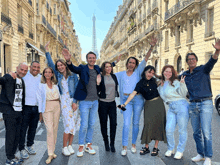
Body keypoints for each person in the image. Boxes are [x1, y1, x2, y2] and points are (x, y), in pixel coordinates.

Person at [63, 49, 120, 157]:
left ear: (95, 59)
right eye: (90, 58)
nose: (92, 60)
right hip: (84, 101)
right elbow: (73, 68)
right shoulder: (82, 68)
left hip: (95, 101)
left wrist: (115, 62)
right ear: (87, 59)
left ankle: (88, 145)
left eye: (93, 58)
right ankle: (81, 145)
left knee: (91, 124)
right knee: (84, 125)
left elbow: (107, 67)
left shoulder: (98, 68)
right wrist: (68, 61)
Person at [115, 35, 157, 156]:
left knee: (136, 123)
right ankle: (124, 146)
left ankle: (133, 145)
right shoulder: (121, 74)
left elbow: (146, 59)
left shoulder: (139, 72)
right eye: (130, 62)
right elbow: (108, 74)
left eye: (133, 63)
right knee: (126, 123)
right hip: (126, 100)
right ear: (127, 64)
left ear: (135, 65)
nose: (131, 64)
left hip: (138, 99)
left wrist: (151, 47)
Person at [180, 39, 220, 165]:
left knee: (206, 132)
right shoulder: (184, 75)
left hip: (205, 103)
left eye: (193, 59)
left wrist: (217, 50)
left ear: (196, 61)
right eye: (189, 59)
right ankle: (201, 154)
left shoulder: (203, 69)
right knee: (196, 132)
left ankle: (208, 156)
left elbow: (212, 60)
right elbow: (174, 85)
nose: (191, 60)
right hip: (192, 104)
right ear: (187, 62)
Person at [119, 65, 167, 156]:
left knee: (159, 124)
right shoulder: (140, 83)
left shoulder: (154, 80)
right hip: (148, 104)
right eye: (149, 72)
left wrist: (156, 75)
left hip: (159, 104)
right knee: (148, 124)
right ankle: (146, 147)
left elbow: (164, 77)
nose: (150, 74)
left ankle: (156, 147)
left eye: (152, 73)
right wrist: (124, 104)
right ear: (145, 72)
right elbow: (133, 94)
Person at [45, 42, 80, 156]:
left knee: (73, 125)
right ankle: (64, 147)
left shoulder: (73, 74)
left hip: (73, 100)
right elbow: (50, 63)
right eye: (58, 66)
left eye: (61, 65)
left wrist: (75, 102)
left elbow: (77, 88)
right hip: (64, 101)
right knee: (68, 125)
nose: (60, 67)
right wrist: (46, 51)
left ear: (65, 65)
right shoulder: (58, 75)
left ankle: (70, 145)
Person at [157, 65, 188, 159]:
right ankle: (171, 148)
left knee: (182, 130)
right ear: (163, 72)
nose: (168, 73)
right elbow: (163, 97)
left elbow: (183, 94)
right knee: (169, 129)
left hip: (181, 105)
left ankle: (180, 150)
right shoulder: (161, 84)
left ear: (173, 73)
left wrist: (182, 84)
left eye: (170, 72)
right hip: (171, 107)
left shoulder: (176, 82)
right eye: (166, 71)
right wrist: (161, 87)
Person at [0, 63, 28, 165]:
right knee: (11, 135)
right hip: (9, 111)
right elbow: (1, 80)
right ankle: (9, 159)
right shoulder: (9, 77)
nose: (23, 72)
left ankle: (12, 155)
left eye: (25, 71)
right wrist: (7, 74)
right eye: (21, 69)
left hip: (19, 111)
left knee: (17, 135)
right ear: (17, 68)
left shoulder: (22, 81)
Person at [37, 67, 60, 164]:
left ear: (52, 74)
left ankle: (52, 151)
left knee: (55, 129)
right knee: (50, 130)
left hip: (56, 106)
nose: (47, 74)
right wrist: (40, 113)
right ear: (43, 74)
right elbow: (39, 100)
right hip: (46, 107)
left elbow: (59, 97)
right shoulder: (41, 85)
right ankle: (50, 154)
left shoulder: (55, 85)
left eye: (49, 72)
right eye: (45, 72)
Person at [18, 61, 41, 159]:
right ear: (30, 67)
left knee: (33, 129)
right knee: (23, 129)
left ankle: (29, 145)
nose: (36, 69)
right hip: (26, 107)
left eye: (38, 67)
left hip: (36, 107)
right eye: (34, 67)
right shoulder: (24, 76)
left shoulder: (41, 78)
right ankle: (21, 148)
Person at [97, 62, 119, 152]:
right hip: (103, 104)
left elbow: (116, 88)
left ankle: (112, 143)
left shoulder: (114, 76)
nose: (109, 68)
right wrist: (98, 84)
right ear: (104, 68)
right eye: (107, 67)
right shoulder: (100, 77)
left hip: (112, 103)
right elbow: (97, 90)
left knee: (113, 124)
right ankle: (106, 142)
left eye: (110, 66)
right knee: (104, 124)